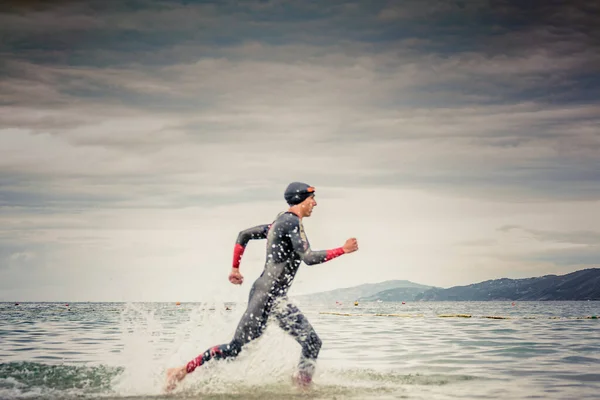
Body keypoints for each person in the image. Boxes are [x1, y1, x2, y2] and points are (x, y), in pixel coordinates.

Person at [165, 182, 359, 391]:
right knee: (235, 348)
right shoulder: (291, 222)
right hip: (266, 296)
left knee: (312, 342)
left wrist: (235, 269)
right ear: (300, 199)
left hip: (275, 298)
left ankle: (303, 386)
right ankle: (181, 370)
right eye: (312, 199)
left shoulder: (279, 223)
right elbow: (309, 258)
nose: (315, 203)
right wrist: (343, 249)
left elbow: (243, 235)